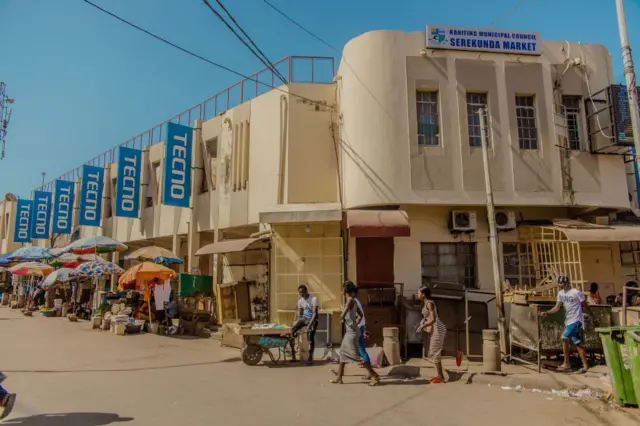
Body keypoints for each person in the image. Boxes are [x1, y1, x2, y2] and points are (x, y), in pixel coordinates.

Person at [540, 275, 594, 373]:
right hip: (568, 321)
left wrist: (591, 315)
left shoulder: (576, 292)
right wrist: (547, 312)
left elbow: (585, 305)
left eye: (562, 283)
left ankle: (566, 363)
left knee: (564, 337)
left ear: (567, 283)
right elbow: (557, 307)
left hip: (577, 320)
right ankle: (585, 365)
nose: (560, 285)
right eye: (559, 283)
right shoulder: (560, 293)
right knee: (578, 343)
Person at [330, 282, 380, 386]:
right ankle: (339, 377)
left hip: (351, 333)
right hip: (351, 331)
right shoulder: (354, 301)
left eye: (343, 289)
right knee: (343, 354)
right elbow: (360, 315)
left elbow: (343, 315)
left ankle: (374, 375)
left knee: (357, 356)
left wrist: (342, 317)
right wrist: (355, 322)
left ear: (345, 291)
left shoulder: (350, 300)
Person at [417, 286, 447, 383]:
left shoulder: (429, 303)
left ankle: (440, 377)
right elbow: (427, 317)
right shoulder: (426, 303)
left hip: (438, 328)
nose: (418, 294)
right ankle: (457, 353)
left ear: (423, 294)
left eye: (419, 293)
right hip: (435, 329)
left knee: (434, 352)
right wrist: (422, 323)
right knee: (434, 351)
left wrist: (422, 326)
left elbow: (433, 319)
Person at [289, 285, 318, 363]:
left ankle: (310, 357)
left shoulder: (313, 299)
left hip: (312, 319)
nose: (301, 294)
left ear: (306, 291)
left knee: (310, 338)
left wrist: (309, 325)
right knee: (291, 331)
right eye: (299, 292)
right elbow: (299, 314)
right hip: (304, 318)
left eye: (302, 292)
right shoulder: (300, 300)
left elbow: (315, 314)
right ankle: (293, 356)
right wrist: (295, 323)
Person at [353, 286, 371, 368]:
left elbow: (359, 316)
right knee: (360, 348)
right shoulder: (356, 300)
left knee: (361, 349)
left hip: (359, 327)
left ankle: (370, 371)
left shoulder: (353, 301)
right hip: (360, 326)